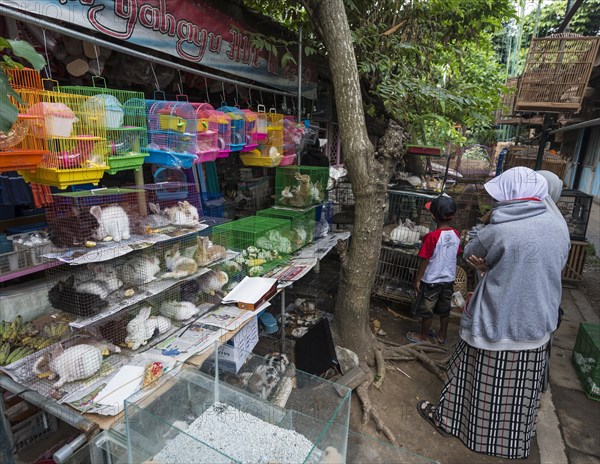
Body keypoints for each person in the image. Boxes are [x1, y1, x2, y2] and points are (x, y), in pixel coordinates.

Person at [416, 167, 570, 459]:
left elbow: (472, 250)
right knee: (516, 392)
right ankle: (510, 443)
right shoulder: (557, 225)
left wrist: (485, 262)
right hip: (537, 323)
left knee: (470, 375)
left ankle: (448, 421)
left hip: (499, 319)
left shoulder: (500, 229)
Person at [406, 196, 461, 345]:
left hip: (431, 280)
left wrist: (417, 279)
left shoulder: (432, 236)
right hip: (448, 279)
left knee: (427, 309)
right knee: (444, 309)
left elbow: (424, 259)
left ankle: (423, 336)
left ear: (432, 215)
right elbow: (455, 252)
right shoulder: (456, 234)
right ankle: (442, 335)